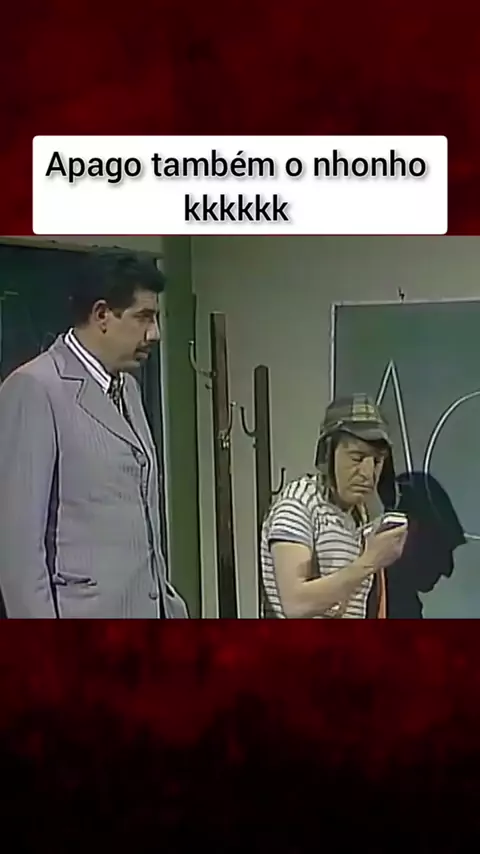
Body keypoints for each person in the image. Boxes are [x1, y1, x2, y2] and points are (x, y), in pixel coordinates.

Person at [0, 249, 188, 619]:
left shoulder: (128, 389)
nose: (155, 334)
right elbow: (17, 549)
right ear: (102, 315)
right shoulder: (36, 388)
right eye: (143, 317)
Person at [261, 394, 408, 619]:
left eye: (377, 461)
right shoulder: (299, 505)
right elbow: (295, 603)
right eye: (357, 458)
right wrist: (370, 561)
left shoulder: (358, 515)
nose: (368, 473)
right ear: (328, 454)